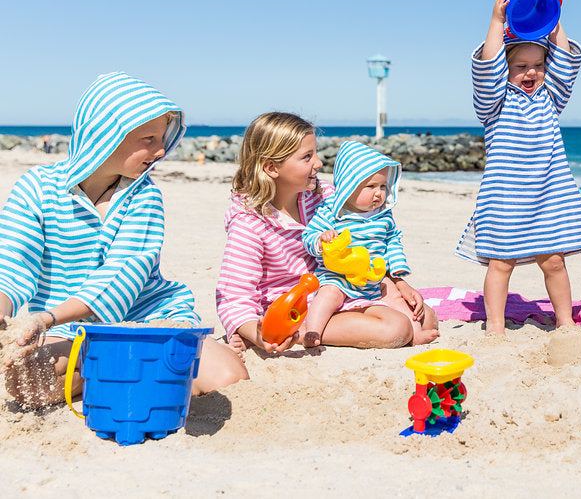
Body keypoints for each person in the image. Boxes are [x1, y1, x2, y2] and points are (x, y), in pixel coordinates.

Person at [0, 72, 247, 406]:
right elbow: (13, 263)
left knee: (229, 378)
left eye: (162, 139)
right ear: (105, 135)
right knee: (25, 382)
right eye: (148, 138)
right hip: (69, 331)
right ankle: (132, 375)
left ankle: (119, 376)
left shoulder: (145, 196)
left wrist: (46, 318)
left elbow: (123, 273)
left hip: (147, 319)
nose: (160, 150)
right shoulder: (37, 187)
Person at [455, 0, 581, 334]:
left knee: (555, 261)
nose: (530, 73)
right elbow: (486, 68)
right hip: (506, 196)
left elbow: (567, 65)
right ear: (506, 67)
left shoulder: (551, 99)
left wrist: (556, 24)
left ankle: (564, 322)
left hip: (549, 193)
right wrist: (496, 21)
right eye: (520, 66)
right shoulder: (495, 104)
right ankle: (496, 326)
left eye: (537, 66)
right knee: (502, 263)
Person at [216, 114, 418, 354]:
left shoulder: (324, 196)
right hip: (294, 308)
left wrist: (396, 279)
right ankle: (300, 331)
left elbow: (369, 237)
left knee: (425, 320)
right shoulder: (248, 224)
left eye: (316, 152)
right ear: (271, 167)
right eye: (307, 156)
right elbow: (234, 295)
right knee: (397, 329)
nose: (319, 163)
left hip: (340, 290)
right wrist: (256, 334)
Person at [302, 141, 438, 347]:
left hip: (374, 278)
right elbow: (308, 235)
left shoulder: (383, 216)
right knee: (328, 295)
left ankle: (415, 333)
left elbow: (392, 241)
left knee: (399, 300)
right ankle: (312, 332)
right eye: (371, 186)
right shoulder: (331, 210)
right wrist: (320, 240)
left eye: (383, 186)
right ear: (349, 186)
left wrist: (398, 271)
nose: (379, 193)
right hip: (338, 276)